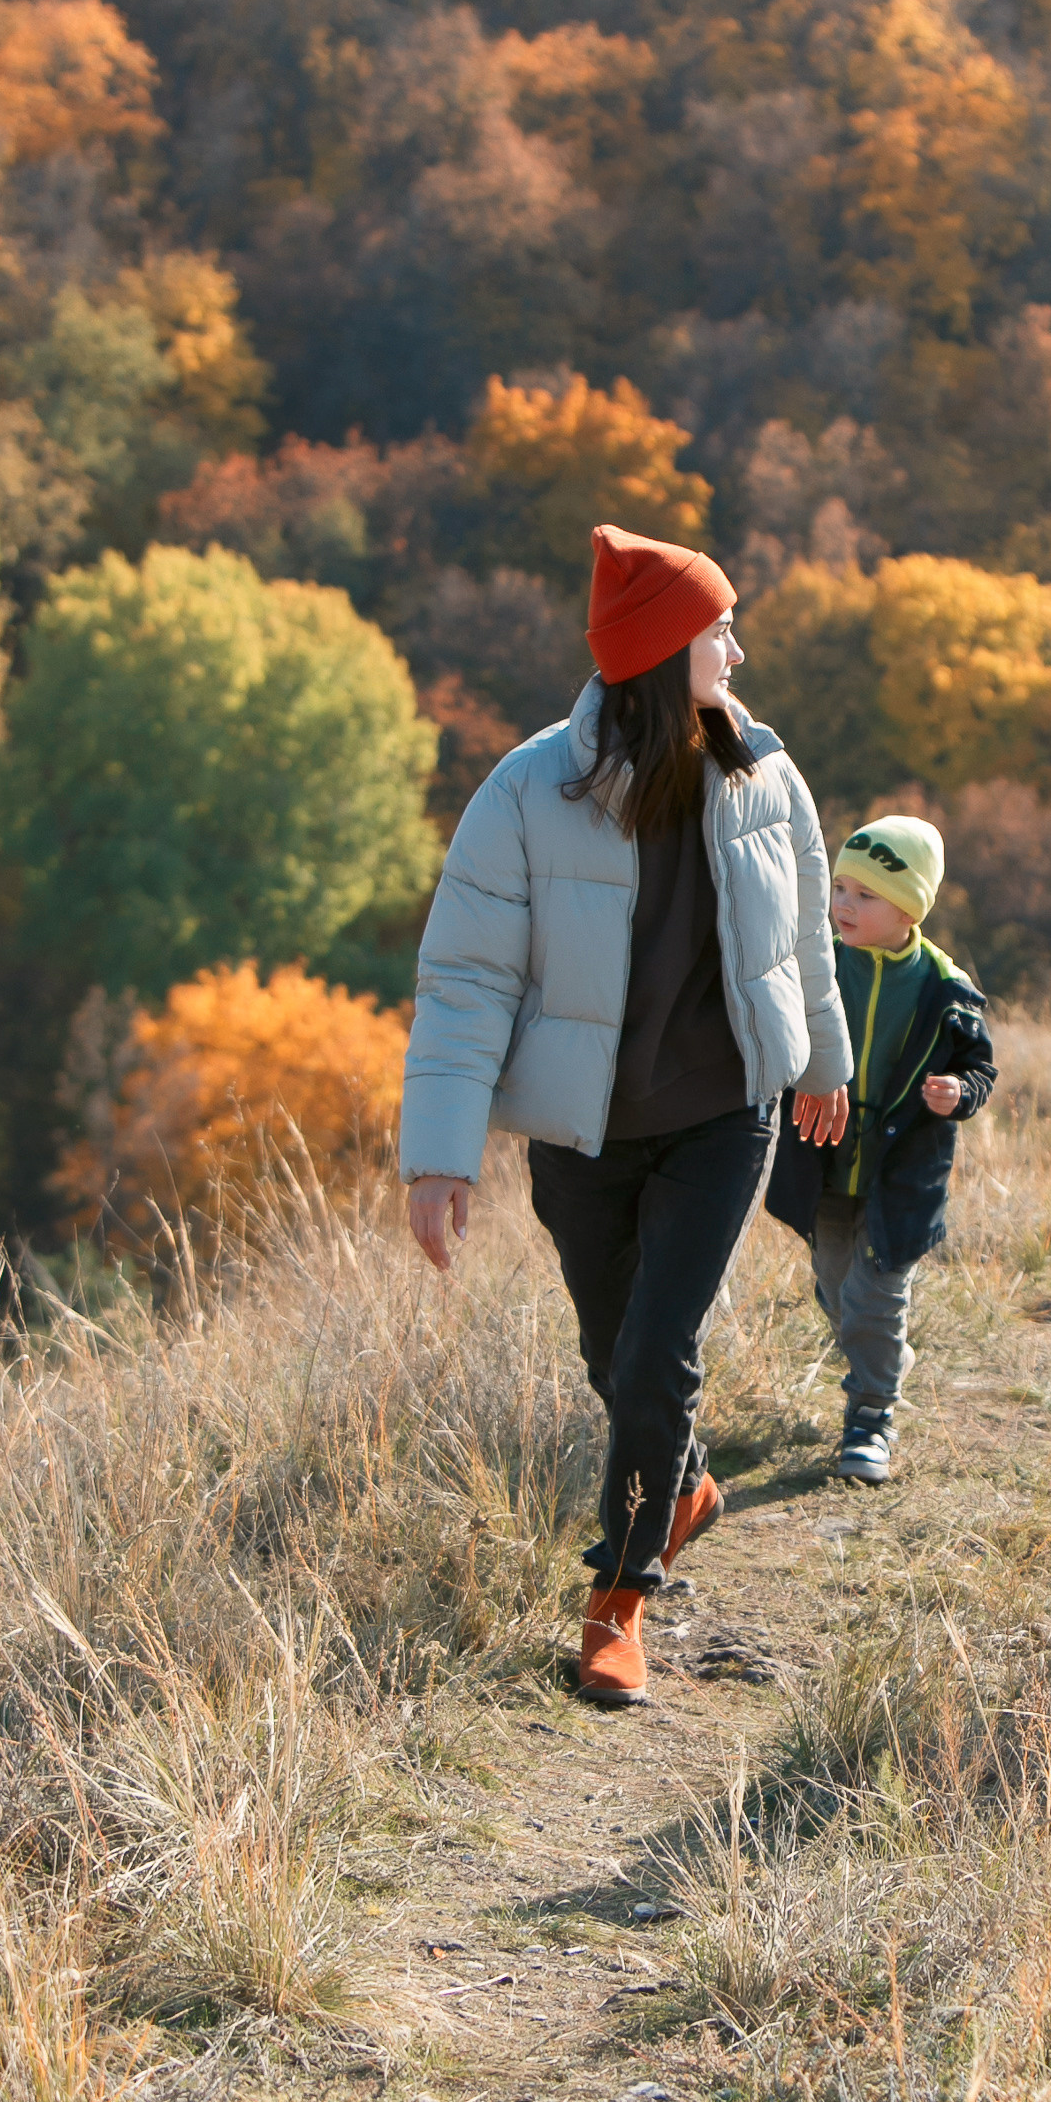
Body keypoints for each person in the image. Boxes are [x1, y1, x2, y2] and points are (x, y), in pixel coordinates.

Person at [399, 523, 852, 1709]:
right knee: (617, 1359)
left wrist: (823, 1062)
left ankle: (618, 1598)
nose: (737, 651)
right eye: (717, 630)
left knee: (657, 1351)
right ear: (660, 652)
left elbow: (805, 935)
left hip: (723, 1112)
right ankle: (681, 1484)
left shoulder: (765, 776)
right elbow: (466, 980)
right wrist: (440, 1155)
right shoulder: (525, 792)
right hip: (584, 1133)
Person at [765, 815, 996, 1484]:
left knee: (874, 1297)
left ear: (909, 908)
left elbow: (981, 1070)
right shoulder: (816, 966)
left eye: (865, 895)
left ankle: (871, 1417)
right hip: (824, 1161)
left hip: (900, 1175)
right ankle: (880, 1356)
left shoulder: (943, 990)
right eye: (839, 888)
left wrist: (961, 1091)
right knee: (840, 1290)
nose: (843, 905)